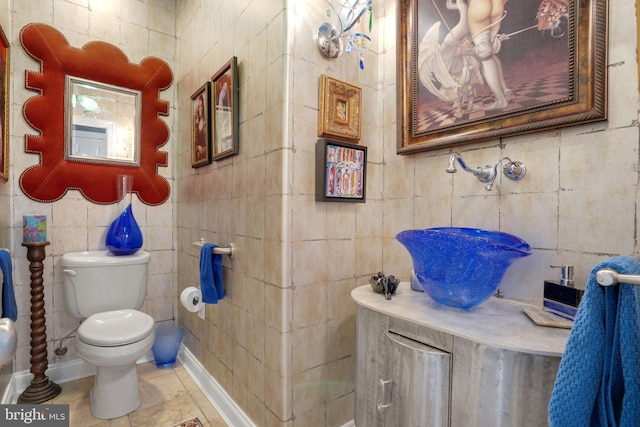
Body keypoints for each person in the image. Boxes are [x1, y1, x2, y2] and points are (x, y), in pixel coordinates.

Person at [193, 94, 207, 161]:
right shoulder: (197, 124)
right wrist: (197, 147)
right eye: (199, 107)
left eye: (201, 106)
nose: (200, 109)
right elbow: (194, 141)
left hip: (205, 155)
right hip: (198, 156)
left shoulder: (206, 123)